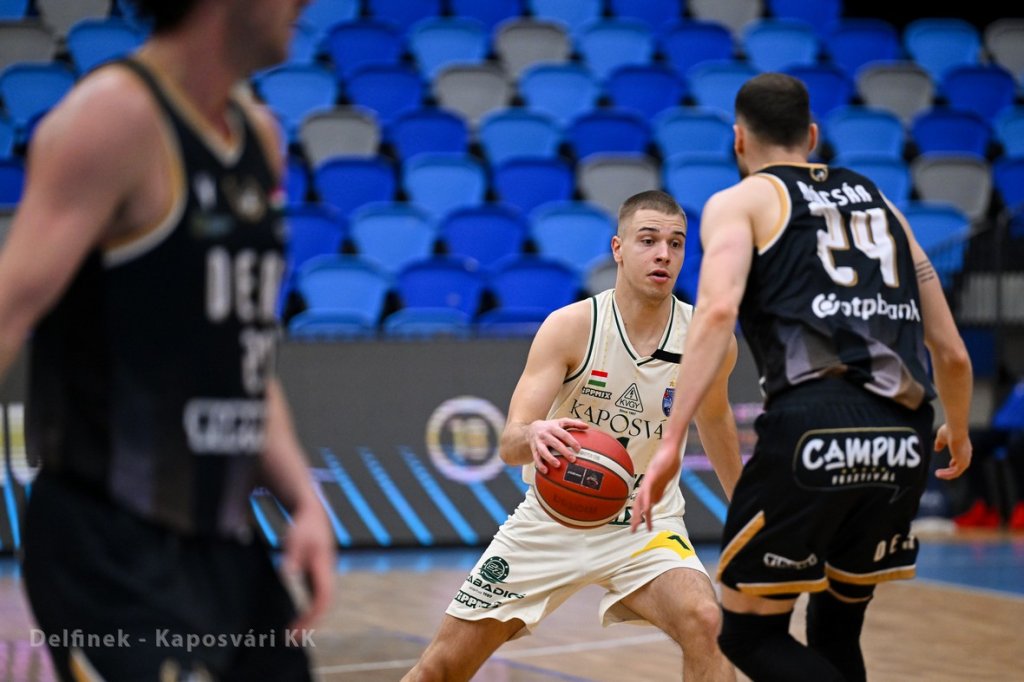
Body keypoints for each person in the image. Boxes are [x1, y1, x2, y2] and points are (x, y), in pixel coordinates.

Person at [0, 0, 335, 679]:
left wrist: (302, 499)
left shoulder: (259, 134)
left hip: (224, 545)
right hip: (107, 544)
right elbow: (8, 311)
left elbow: (239, 355)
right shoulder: (114, 119)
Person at [632, 73, 974, 681]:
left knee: (746, 632)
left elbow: (716, 312)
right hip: (906, 436)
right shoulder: (884, 205)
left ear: (739, 140)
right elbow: (950, 352)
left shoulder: (741, 202)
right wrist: (961, 427)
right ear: (811, 136)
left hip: (815, 426)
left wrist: (670, 440)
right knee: (836, 625)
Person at [404, 190, 743, 681]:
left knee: (706, 622)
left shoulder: (707, 339)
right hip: (553, 518)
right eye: (648, 240)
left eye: (676, 243)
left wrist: (748, 515)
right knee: (442, 667)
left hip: (643, 525)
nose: (663, 254)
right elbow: (509, 444)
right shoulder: (572, 326)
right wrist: (534, 434)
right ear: (618, 248)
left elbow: (714, 422)